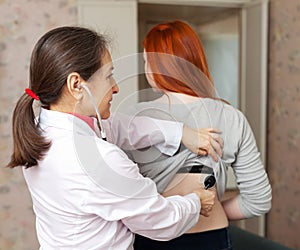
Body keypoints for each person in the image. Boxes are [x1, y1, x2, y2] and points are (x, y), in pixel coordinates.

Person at [6, 26, 225, 249]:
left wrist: (180, 132)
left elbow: (122, 127)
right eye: (109, 75)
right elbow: (160, 220)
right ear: (76, 85)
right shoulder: (97, 161)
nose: (116, 87)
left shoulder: (40, 129)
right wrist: (196, 202)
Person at [119, 20, 272, 250]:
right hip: (213, 235)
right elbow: (258, 201)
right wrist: (209, 207)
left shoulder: (133, 120)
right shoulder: (232, 117)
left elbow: (119, 195)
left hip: (155, 237)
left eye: (146, 61)